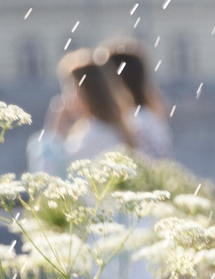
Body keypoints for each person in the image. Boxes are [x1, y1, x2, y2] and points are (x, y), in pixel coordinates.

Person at [27, 36, 176, 175]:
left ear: (83, 91)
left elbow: (48, 174)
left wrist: (54, 131)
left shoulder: (96, 131)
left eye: (68, 89)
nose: (64, 98)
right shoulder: (140, 120)